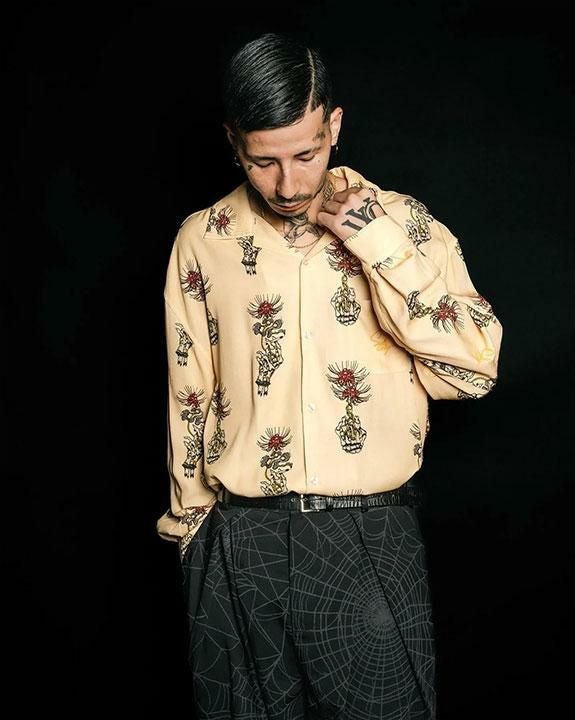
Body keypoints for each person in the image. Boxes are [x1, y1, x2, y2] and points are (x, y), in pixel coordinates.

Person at [156, 31, 503, 720]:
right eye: (263, 162)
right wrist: (192, 539)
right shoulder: (203, 238)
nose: (288, 185)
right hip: (238, 539)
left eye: (306, 155)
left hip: (368, 535)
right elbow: (189, 393)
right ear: (233, 143)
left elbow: (473, 371)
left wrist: (374, 242)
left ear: (334, 126)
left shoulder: (404, 224)